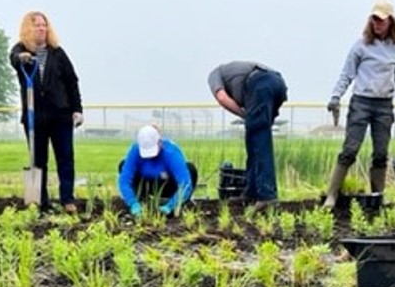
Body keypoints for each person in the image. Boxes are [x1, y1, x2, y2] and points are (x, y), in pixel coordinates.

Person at [324, 0, 395, 208]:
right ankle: (331, 195)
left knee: (380, 154)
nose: (377, 23)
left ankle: (377, 197)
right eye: (374, 19)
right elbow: (347, 74)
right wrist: (336, 96)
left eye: (382, 20)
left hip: (383, 106)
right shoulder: (360, 46)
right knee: (350, 150)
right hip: (361, 103)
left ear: (390, 22)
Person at [9, 10, 83, 213]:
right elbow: (13, 58)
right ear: (28, 29)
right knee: (38, 159)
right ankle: (40, 201)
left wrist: (77, 109)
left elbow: (71, 81)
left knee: (65, 158)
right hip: (35, 116)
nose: (42, 28)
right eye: (37, 25)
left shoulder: (57, 53)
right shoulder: (21, 50)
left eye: (44, 25)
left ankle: (67, 199)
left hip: (60, 114)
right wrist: (22, 58)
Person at [207, 61, 288, 204]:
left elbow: (222, 98)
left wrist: (245, 115)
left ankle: (267, 195)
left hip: (260, 84)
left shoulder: (214, 74)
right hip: (278, 85)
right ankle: (252, 192)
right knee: (254, 139)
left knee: (260, 140)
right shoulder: (235, 70)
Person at [117, 125, 198, 217]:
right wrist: (132, 202)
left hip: (168, 185)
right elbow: (124, 181)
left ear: (159, 142)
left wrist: (170, 206)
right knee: (123, 164)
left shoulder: (171, 152)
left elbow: (185, 183)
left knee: (190, 169)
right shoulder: (135, 151)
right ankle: (141, 201)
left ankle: (178, 204)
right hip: (146, 184)